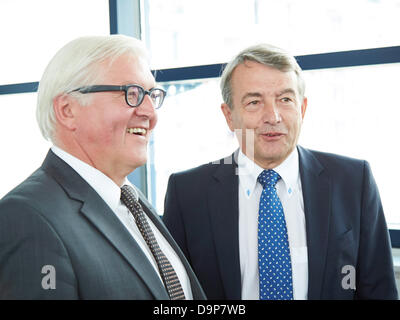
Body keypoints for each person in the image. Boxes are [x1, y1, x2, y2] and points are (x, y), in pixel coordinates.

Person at [163, 43, 398, 300]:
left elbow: (379, 290)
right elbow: (175, 296)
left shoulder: (354, 181)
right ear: (229, 115)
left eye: (285, 99)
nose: (273, 116)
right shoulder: (187, 193)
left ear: (302, 108)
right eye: (254, 102)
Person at [0, 35, 205, 300]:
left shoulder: (131, 200)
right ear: (67, 110)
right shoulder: (26, 217)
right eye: (131, 94)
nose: (150, 113)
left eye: (152, 95)